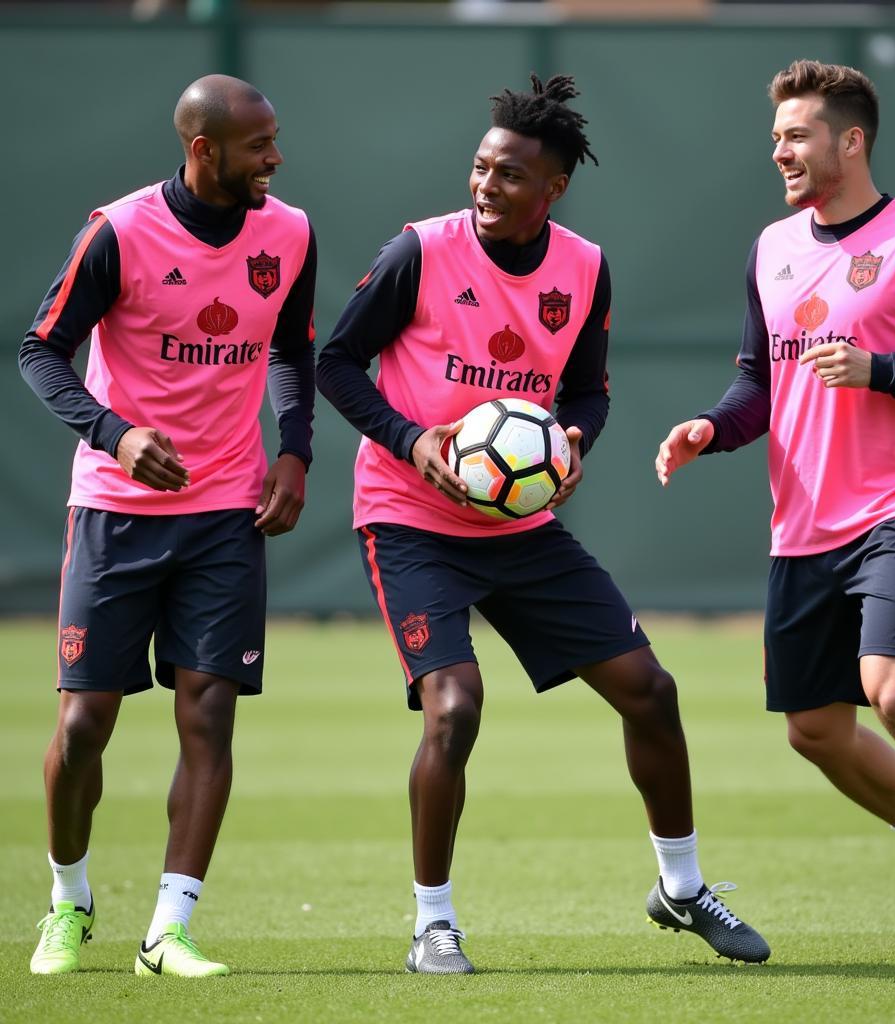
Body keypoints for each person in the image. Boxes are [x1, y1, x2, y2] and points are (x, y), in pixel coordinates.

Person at [316, 73, 770, 974]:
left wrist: (570, 444)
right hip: (411, 519)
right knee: (454, 709)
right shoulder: (420, 250)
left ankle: (681, 889)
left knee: (652, 690)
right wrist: (414, 443)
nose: (487, 185)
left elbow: (590, 392)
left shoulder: (586, 267)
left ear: (553, 188)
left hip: (520, 527)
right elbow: (336, 362)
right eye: (482, 168)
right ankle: (433, 924)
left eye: (511, 175)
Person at [656, 59, 895, 963]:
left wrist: (883, 370)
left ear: (851, 142)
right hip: (805, 522)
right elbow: (758, 382)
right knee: (816, 731)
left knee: (892, 687)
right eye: (777, 134)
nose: (778, 148)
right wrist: (711, 426)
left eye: (797, 134)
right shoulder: (772, 248)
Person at [20, 74, 317, 978]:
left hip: (225, 511)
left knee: (210, 714)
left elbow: (293, 346)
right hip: (115, 511)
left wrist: (294, 451)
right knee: (83, 727)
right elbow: (41, 349)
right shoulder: (119, 232)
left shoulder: (290, 231)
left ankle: (169, 930)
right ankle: (68, 902)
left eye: (275, 139)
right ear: (204, 150)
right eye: (259, 144)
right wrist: (115, 433)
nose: (275, 157)